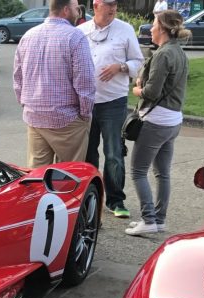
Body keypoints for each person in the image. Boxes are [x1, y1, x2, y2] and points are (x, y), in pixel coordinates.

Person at [125, 10, 190, 236]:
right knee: (162, 173)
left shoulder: (163, 55)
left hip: (156, 121)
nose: (150, 29)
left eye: (153, 24)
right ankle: (159, 219)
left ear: (162, 28)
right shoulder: (179, 52)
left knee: (138, 172)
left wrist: (136, 89)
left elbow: (151, 92)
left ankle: (149, 219)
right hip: (173, 121)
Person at [78, 0, 144, 219]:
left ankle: (116, 200)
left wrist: (121, 67)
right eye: (108, 5)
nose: (113, 8)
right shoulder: (81, 31)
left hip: (113, 102)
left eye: (115, 4)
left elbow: (138, 61)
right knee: (88, 152)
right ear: (96, 6)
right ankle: (90, 197)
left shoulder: (124, 30)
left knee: (114, 153)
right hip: (86, 101)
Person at [13, 0, 95, 168]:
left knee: (37, 174)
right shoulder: (75, 36)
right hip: (67, 118)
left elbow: (17, 77)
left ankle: (39, 195)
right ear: (65, 10)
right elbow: (85, 82)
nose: (78, 12)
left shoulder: (28, 36)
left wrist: (25, 103)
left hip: (35, 116)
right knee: (69, 175)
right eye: (75, 8)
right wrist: (85, 115)